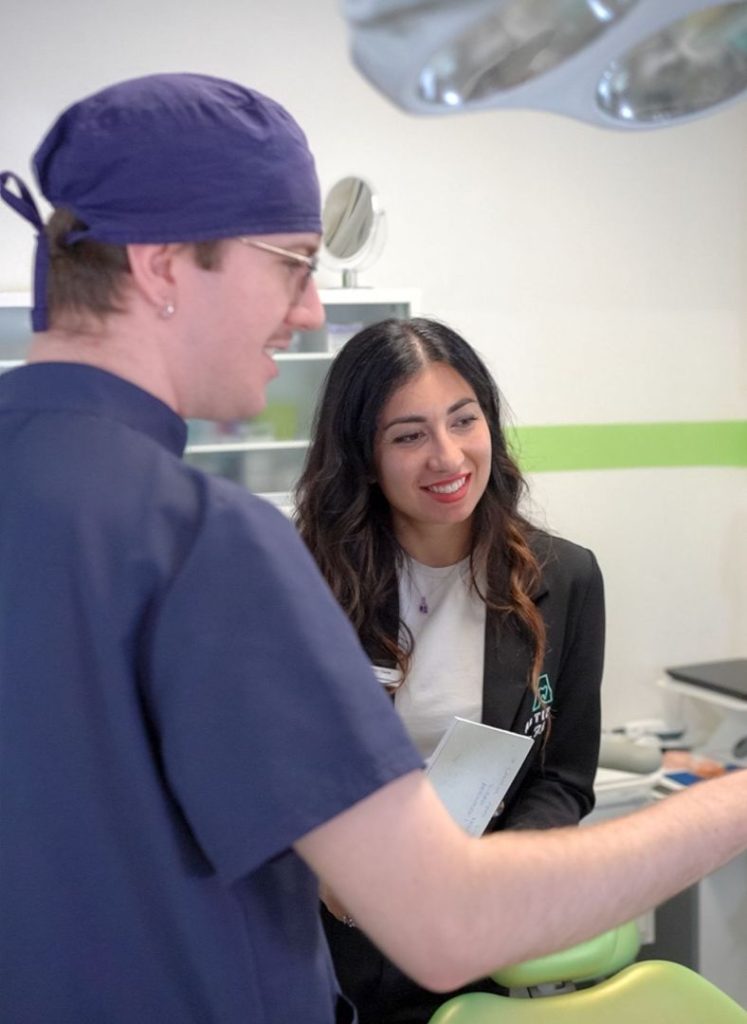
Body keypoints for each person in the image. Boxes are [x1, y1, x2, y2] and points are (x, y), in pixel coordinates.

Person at [2, 71, 747, 1024]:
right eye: (292, 261)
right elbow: (442, 921)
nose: (309, 308)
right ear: (162, 265)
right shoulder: (202, 543)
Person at [294, 316, 604, 1022]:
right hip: (322, 940)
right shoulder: (299, 581)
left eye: (462, 421)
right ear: (363, 456)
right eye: (407, 436)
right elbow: (252, 770)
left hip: (471, 944)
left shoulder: (564, 578)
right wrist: (324, 875)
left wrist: (488, 879)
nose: (447, 456)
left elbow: (563, 778)